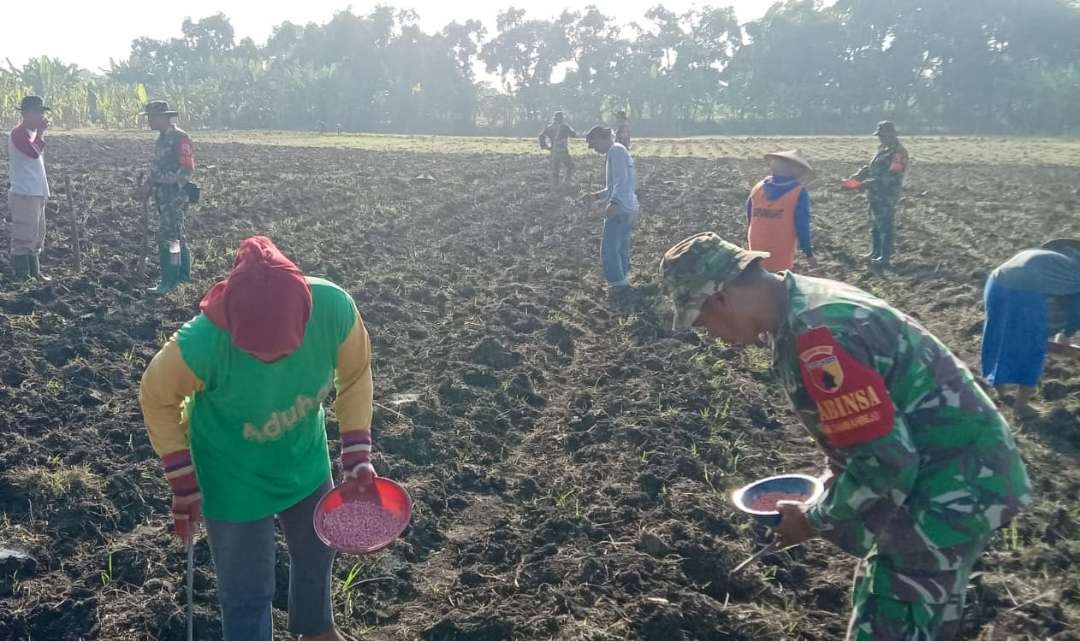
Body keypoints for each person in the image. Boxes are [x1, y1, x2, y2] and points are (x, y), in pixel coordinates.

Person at [661, 232, 1031, 641]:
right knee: (916, 614)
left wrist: (813, 520)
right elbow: (863, 440)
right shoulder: (799, 302)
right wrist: (827, 489)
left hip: (950, 487)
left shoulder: (819, 338)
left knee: (890, 615)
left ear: (720, 298)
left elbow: (887, 461)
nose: (710, 334)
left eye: (702, 321)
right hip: (953, 473)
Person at [139, 236, 374, 641]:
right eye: (257, 351)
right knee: (247, 590)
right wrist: (183, 480)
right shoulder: (201, 344)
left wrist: (356, 454)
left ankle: (317, 631)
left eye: (284, 350)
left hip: (303, 459)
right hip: (232, 477)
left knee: (318, 552)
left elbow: (355, 374)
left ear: (305, 316)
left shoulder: (334, 309)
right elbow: (156, 395)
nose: (272, 360)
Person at [981, 238, 1080, 415]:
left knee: (997, 337)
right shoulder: (1075, 272)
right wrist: (1066, 334)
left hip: (995, 282)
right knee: (1033, 348)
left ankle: (999, 392)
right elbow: (1077, 310)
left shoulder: (1051, 258)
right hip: (1025, 292)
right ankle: (1021, 406)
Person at [139, 100, 195, 294]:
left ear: (163, 117)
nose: (149, 121)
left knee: (170, 238)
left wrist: (170, 184)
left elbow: (187, 169)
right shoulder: (161, 139)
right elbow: (156, 166)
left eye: (151, 117)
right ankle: (181, 275)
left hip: (175, 196)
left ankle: (170, 279)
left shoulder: (180, 138)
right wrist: (148, 184)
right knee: (176, 236)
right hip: (162, 195)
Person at [584, 125, 639, 300]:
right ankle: (622, 282)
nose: (594, 150)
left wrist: (613, 203)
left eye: (594, 144)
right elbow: (613, 186)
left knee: (608, 249)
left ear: (602, 137)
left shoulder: (615, 151)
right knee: (620, 247)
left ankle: (617, 286)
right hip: (629, 206)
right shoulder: (618, 151)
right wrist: (595, 196)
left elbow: (621, 182)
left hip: (621, 207)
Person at [845, 121, 909, 266]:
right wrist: (855, 178)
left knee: (886, 225)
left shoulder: (899, 153)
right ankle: (875, 252)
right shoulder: (882, 149)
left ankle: (885, 257)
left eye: (883, 135)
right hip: (874, 193)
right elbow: (870, 167)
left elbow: (891, 176)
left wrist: (863, 184)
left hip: (887, 194)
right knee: (874, 223)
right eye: (879, 135)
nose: (880, 138)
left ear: (891, 134)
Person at [747, 150, 816, 272]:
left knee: (757, 276)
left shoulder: (758, 187)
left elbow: (750, 218)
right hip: (781, 249)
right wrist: (808, 253)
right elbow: (802, 226)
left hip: (756, 244)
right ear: (796, 171)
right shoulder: (799, 192)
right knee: (777, 281)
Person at [7, 95, 52, 282]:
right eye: (37, 112)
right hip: (25, 192)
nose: (41, 117)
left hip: (36, 192)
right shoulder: (18, 133)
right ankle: (23, 276)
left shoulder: (31, 133)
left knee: (37, 235)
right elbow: (32, 153)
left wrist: (39, 134)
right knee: (24, 235)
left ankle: (35, 273)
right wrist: (41, 134)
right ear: (26, 113)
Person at [538, 111, 577, 187]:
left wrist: (545, 146)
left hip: (553, 152)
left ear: (554, 119)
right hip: (563, 152)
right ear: (562, 119)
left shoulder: (550, 128)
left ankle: (555, 187)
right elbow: (573, 135)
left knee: (555, 170)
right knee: (571, 166)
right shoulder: (564, 127)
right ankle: (566, 182)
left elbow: (541, 136)